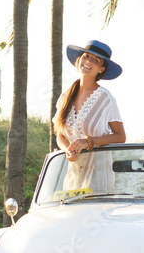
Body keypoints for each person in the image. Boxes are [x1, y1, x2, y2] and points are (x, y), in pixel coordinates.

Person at [53, 40, 126, 193]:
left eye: (95, 60)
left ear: (101, 69)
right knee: (71, 214)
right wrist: (68, 150)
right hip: (73, 173)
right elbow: (59, 136)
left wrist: (88, 141)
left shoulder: (106, 99)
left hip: (98, 173)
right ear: (79, 60)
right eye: (86, 56)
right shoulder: (65, 97)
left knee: (94, 215)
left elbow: (120, 136)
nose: (88, 61)